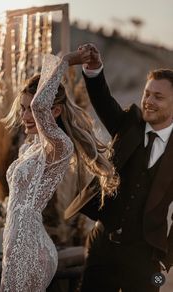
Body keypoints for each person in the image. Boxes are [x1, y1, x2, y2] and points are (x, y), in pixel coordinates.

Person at [0, 52, 118, 292]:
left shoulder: (60, 146)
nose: (24, 116)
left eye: (29, 110)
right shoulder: (30, 147)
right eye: (22, 109)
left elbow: (39, 104)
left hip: (30, 248)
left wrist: (64, 60)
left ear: (54, 112)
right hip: (16, 243)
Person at [65, 43, 173, 292]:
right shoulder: (129, 125)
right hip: (102, 247)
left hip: (145, 260)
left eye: (158, 96)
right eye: (147, 93)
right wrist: (94, 70)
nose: (148, 101)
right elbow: (103, 101)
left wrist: (166, 259)